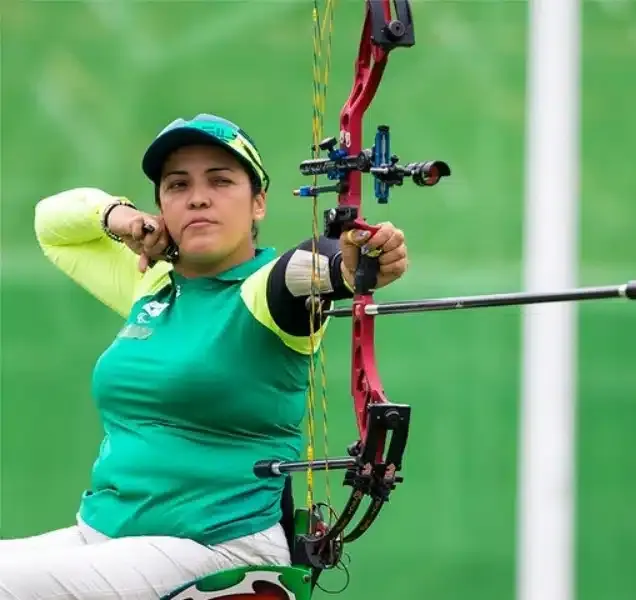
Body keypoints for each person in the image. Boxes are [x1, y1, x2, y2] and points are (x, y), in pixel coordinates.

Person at [0, 113, 409, 599]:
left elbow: (312, 269)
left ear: (258, 203)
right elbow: (52, 222)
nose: (198, 196)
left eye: (221, 181)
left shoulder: (265, 289)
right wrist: (121, 218)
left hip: (218, 550)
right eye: (178, 185)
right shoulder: (150, 282)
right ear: (160, 208)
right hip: (105, 537)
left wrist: (354, 262)